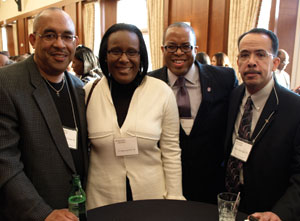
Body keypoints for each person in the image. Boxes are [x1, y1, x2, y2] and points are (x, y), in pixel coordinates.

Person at [0, 7, 89, 221]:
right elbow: (5, 161)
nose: (59, 44)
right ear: (33, 39)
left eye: (67, 36)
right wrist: (42, 213)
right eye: (49, 35)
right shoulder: (7, 83)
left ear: (75, 42)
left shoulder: (78, 88)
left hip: (77, 209)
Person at [85, 23, 184, 209]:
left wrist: (175, 197)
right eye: (115, 51)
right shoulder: (89, 93)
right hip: (101, 201)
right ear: (105, 56)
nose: (124, 59)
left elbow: (171, 151)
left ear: (141, 56)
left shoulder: (162, 92)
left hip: (152, 199)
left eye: (132, 52)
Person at [148, 22, 238, 204]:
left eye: (185, 47)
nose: (178, 53)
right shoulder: (148, 83)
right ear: (162, 49)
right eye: (171, 47)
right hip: (165, 183)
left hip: (212, 185)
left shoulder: (224, 79)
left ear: (195, 49)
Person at [224, 28, 300, 221]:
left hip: (269, 211)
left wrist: (280, 213)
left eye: (260, 54)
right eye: (244, 55)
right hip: (229, 206)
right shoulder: (233, 96)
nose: (251, 61)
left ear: (275, 63)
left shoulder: (294, 108)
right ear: (238, 61)